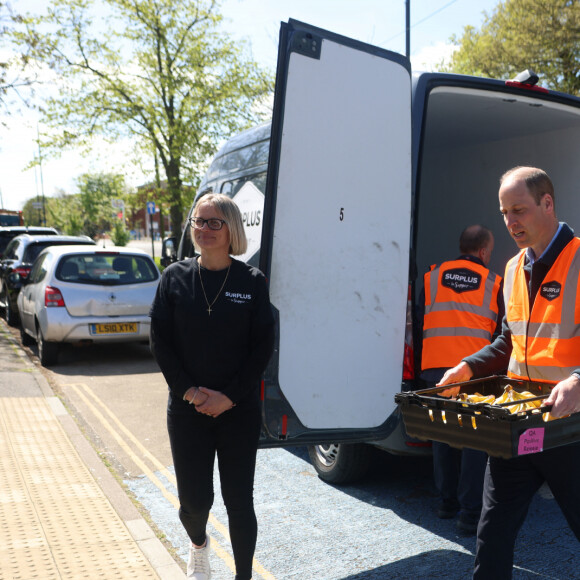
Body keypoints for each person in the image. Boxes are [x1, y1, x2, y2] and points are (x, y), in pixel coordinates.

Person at [438, 167, 580, 579]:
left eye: (519, 209)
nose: (510, 221)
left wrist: (577, 381)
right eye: (504, 213)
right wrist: (467, 367)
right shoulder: (513, 269)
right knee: (492, 531)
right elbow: (508, 342)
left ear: (547, 204)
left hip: (569, 429)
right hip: (518, 423)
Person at [149, 193, 275, 580]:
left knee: (239, 502)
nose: (204, 229)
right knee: (194, 502)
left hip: (238, 410)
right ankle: (199, 545)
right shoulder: (174, 277)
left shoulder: (251, 281)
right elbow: (159, 340)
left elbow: (262, 346)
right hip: (187, 410)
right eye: (199, 222)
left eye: (214, 222)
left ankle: (242, 576)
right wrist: (190, 392)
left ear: (231, 228)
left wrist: (230, 397)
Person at [418, 225, 503, 534]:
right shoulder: (494, 282)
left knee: (441, 436)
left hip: (435, 369)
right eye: (490, 253)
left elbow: (419, 320)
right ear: (482, 251)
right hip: (473, 373)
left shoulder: (432, 276)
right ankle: (469, 515)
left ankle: (446, 503)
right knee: (474, 440)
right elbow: (500, 336)